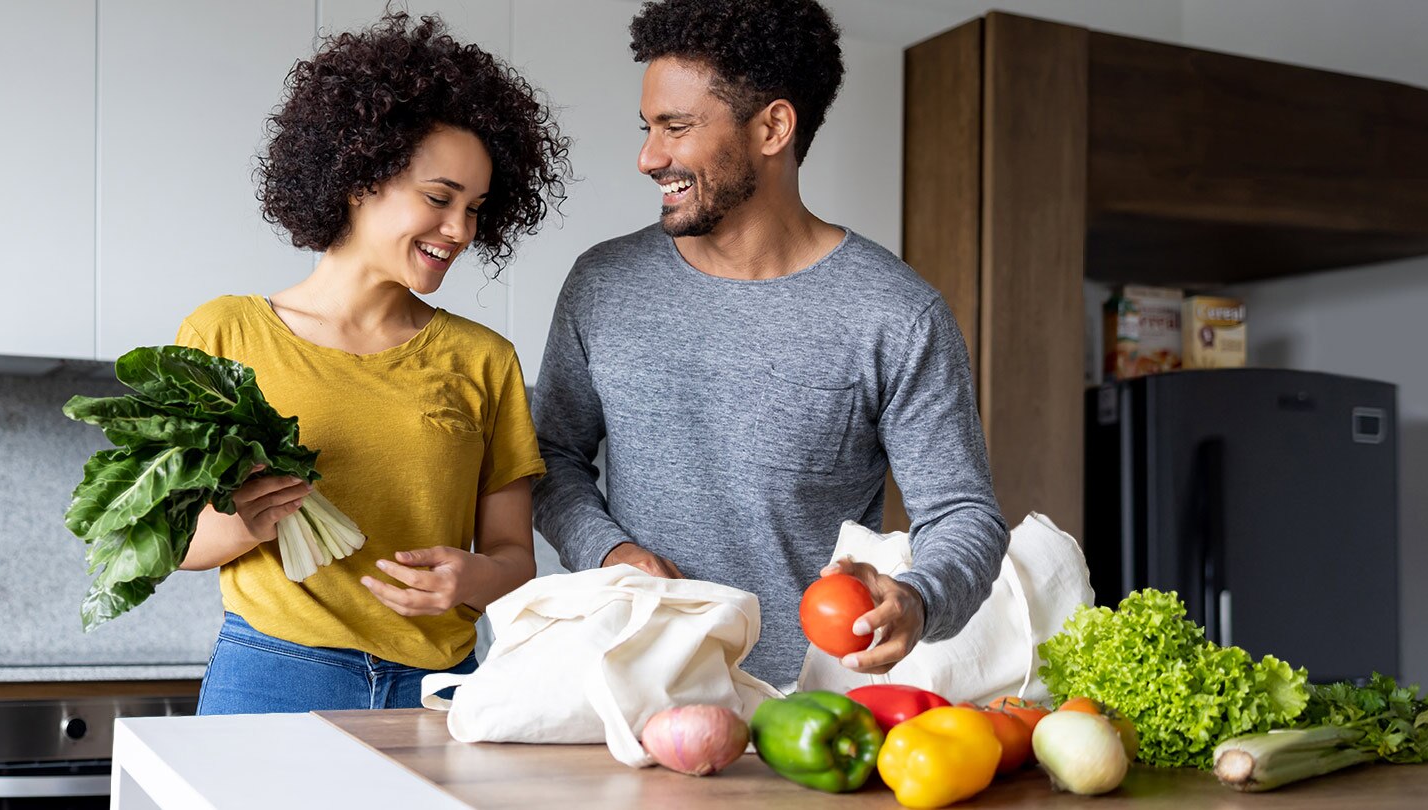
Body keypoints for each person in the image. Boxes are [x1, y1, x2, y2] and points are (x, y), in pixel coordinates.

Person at [533, 0, 1007, 688]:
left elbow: (963, 514)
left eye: (677, 127)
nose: (648, 157)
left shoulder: (896, 314)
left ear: (773, 128)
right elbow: (550, 457)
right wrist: (609, 552)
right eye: (648, 127)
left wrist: (919, 597)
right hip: (637, 685)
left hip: (808, 703)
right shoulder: (602, 285)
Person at [178, 13, 570, 714]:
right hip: (275, 674)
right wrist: (251, 519)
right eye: (439, 198)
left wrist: (470, 579)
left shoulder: (485, 360)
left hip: (442, 689)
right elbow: (172, 541)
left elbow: (516, 561)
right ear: (360, 178)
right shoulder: (225, 334)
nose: (461, 231)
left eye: (476, 208)